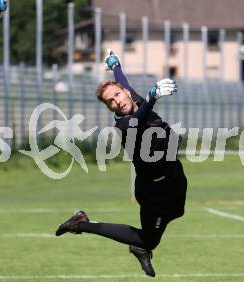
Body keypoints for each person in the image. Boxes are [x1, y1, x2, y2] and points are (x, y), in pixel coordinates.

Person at [54, 49, 188, 277]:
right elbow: (140, 117)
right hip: (154, 190)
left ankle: (141, 246)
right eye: (110, 102)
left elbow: (123, 82)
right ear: (110, 108)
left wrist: (115, 65)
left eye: (117, 95)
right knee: (149, 240)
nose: (117, 101)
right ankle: (81, 224)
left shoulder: (132, 98)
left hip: (175, 174)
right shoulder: (126, 125)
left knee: (177, 212)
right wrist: (153, 95)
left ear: (126, 93)